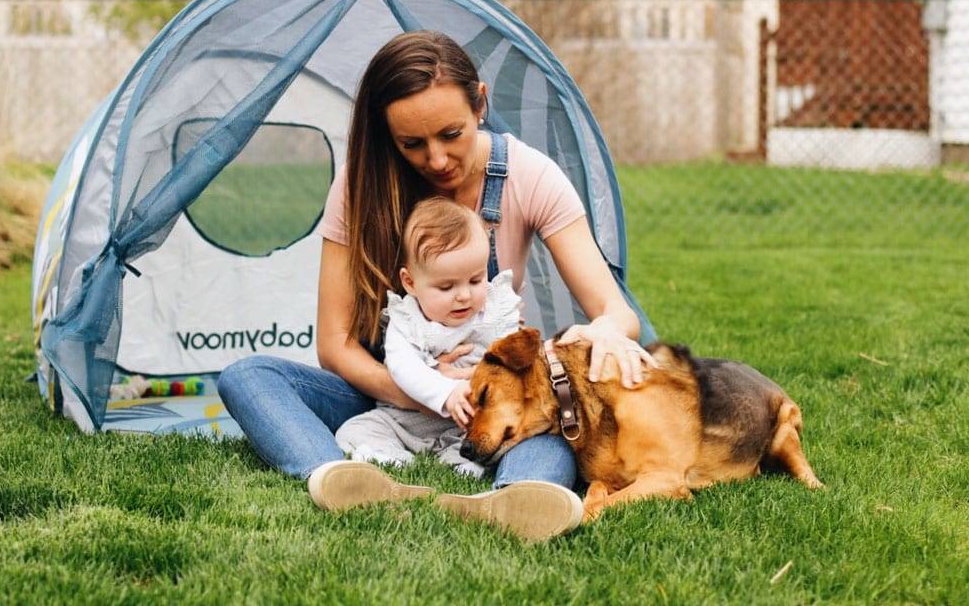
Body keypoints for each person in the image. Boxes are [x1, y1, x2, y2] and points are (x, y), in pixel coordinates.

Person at [219, 30, 657, 540]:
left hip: (490, 402)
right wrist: (422, 393)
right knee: (248, 377)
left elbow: (614, 308)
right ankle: (337, 477)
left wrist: (607, 328)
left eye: (451, 134)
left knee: (552, 431)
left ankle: (512, 497)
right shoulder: (361, 186)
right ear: (387, 136)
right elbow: (334, 345)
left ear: (480, 104)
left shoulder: (530, 176)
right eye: (412, 144)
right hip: (388, 394)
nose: (437, 159)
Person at [334, 197, 522, 478]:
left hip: (470, 423)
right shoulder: (408, 320)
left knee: (501, 437)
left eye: (475, 280)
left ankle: (461, 463)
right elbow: (402, 367)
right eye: (446, 286)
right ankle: (391, 460)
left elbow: (512, 366)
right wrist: (445, 393)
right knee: (355, 430)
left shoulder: (495, 312)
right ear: (410, 283)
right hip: (406, 420)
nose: (464, 295)